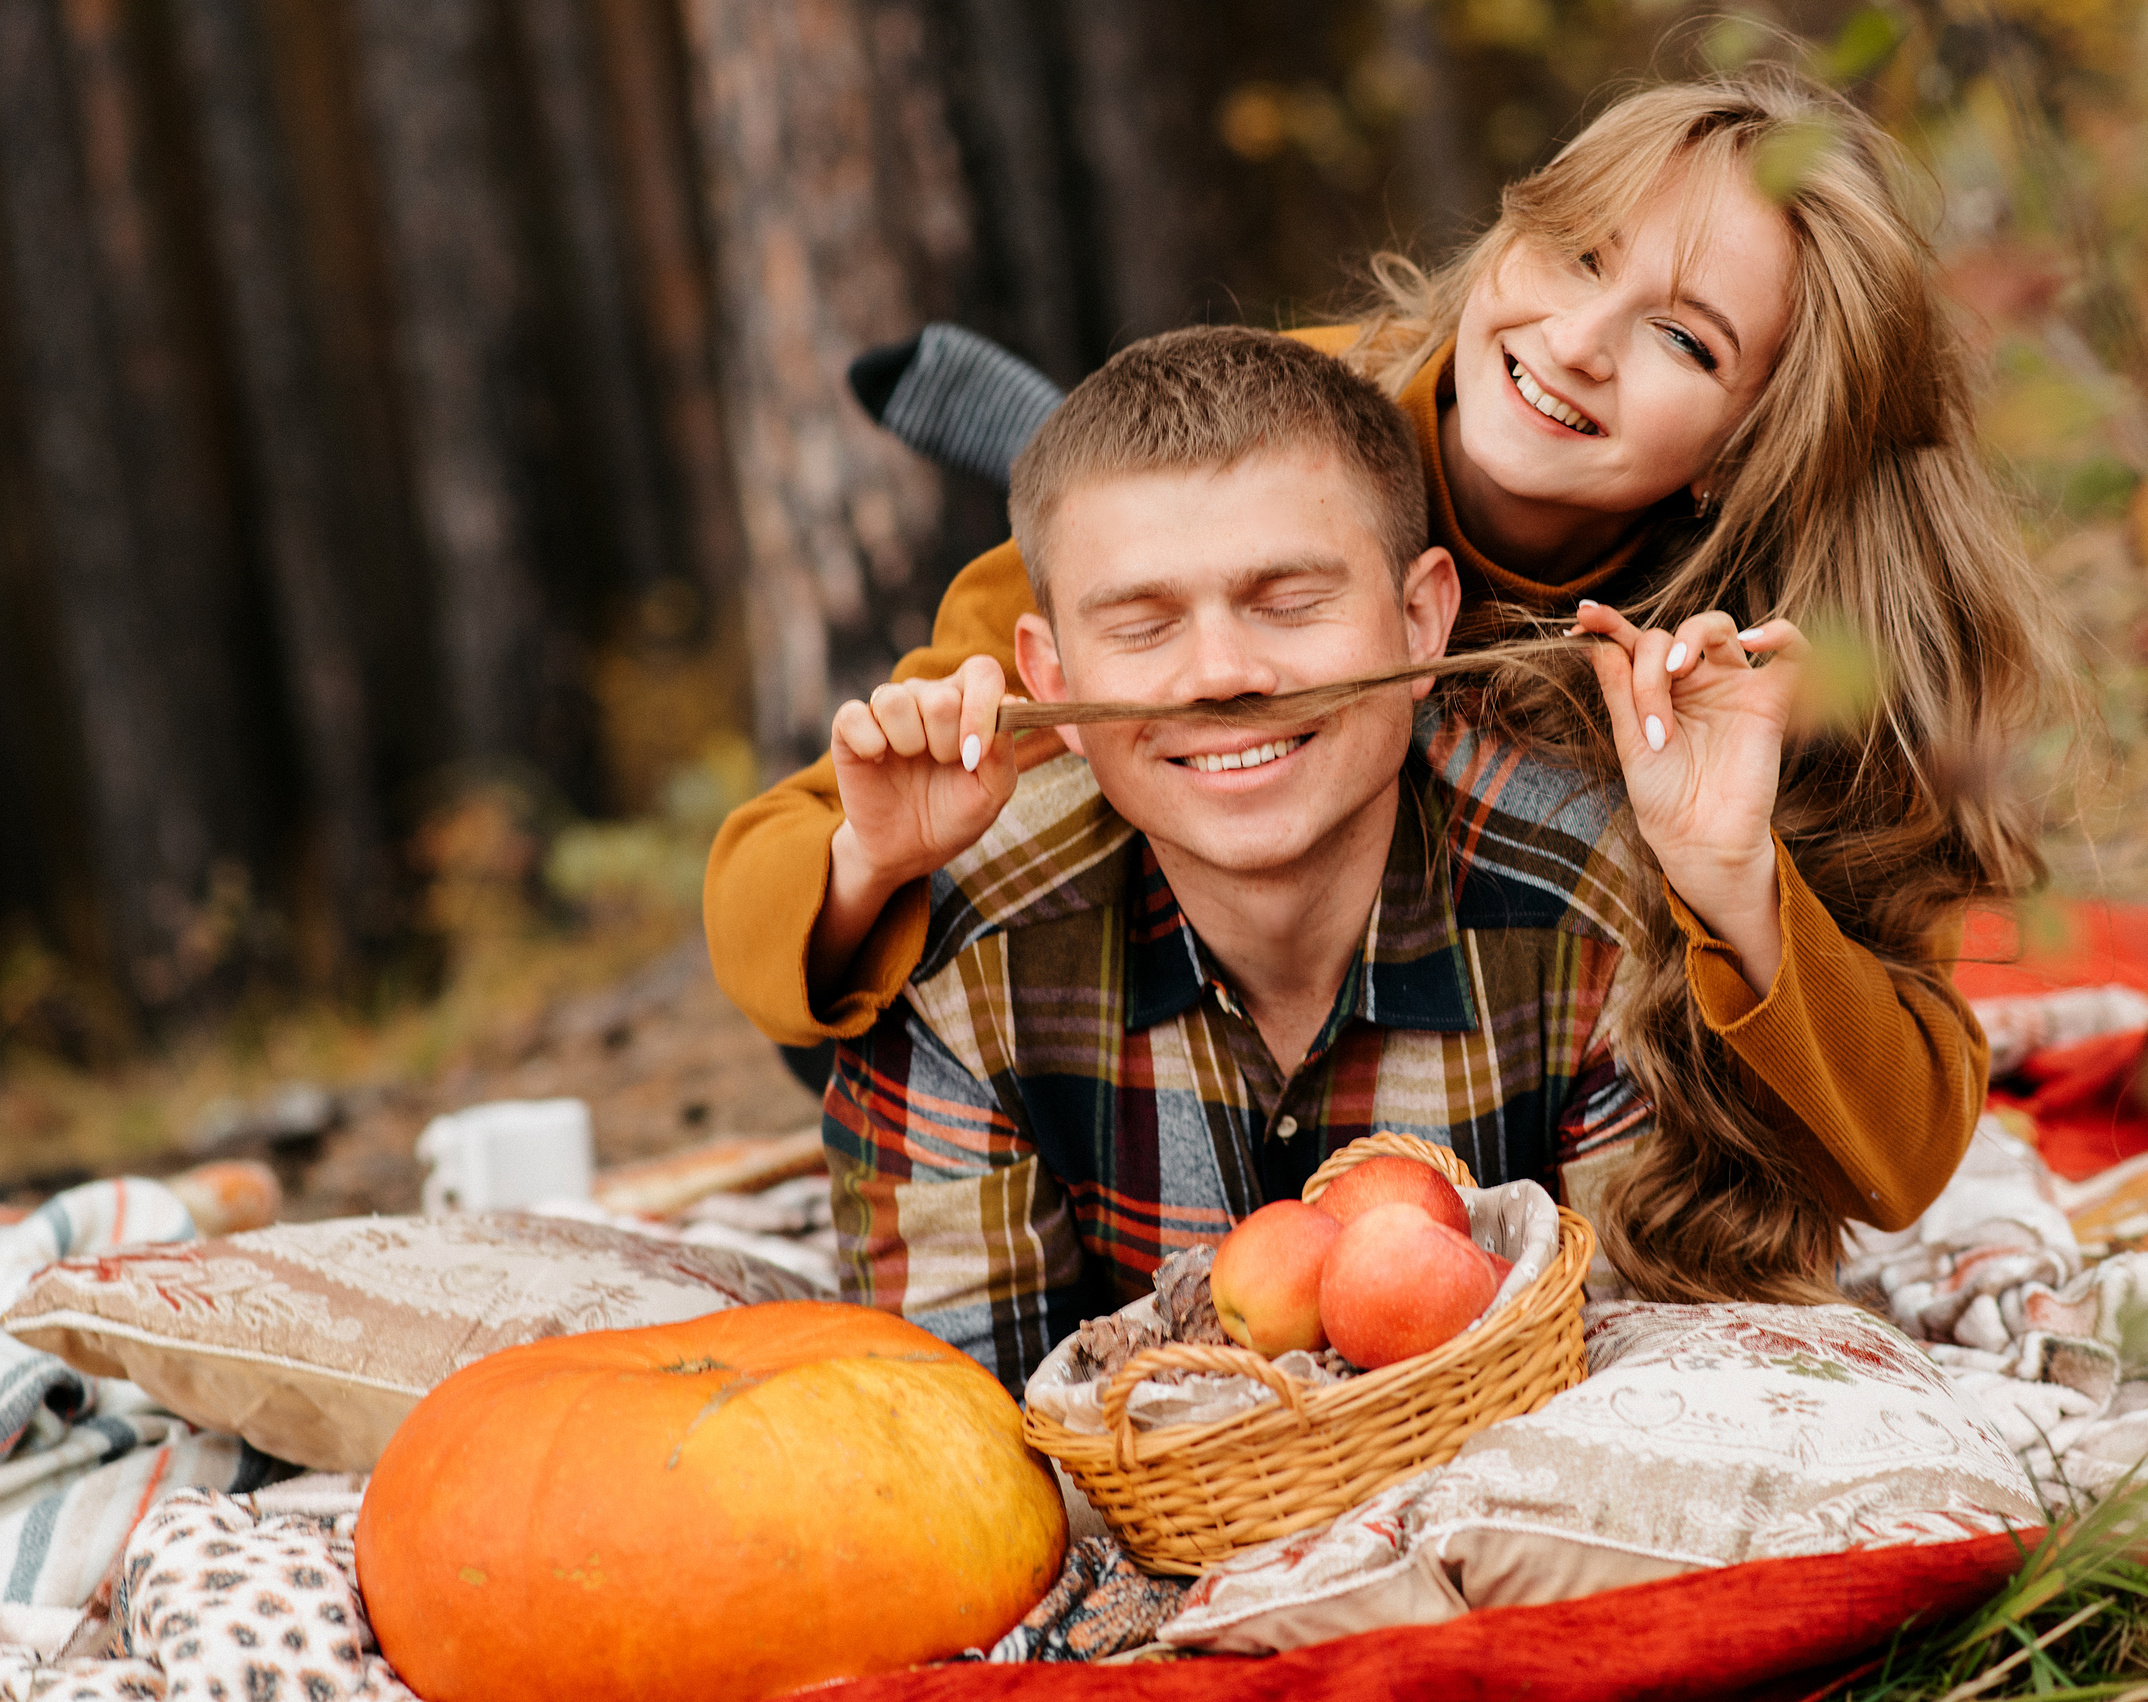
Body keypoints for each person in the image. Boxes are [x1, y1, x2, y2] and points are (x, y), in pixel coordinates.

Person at [707, 65, 2069, 1307]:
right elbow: (776, 904)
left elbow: (1898, 1160)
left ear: (1751, 438)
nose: (1579, 339)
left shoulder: (1791, 654)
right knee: (949, 929)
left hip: (1502, 1014)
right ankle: (1042, 433)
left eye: (1685, 341)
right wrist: (863, 869)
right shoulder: (1278, 450)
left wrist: (1736, 880)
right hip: (1184, 940)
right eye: (1577, 252)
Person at [819, 327, 1664, 1384]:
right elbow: (957, 1439)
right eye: (1141, 624)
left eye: (1289, 603)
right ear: (1051, 677)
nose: (1221, 673)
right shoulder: (963, 961)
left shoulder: (1588, 913)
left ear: (1419, 623)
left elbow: (1659, 1377)